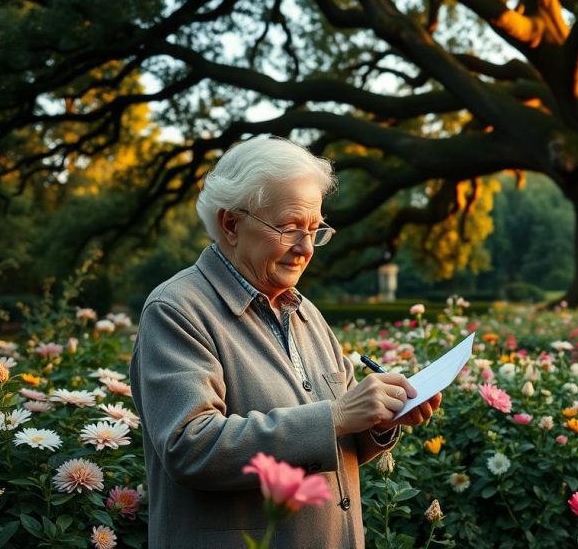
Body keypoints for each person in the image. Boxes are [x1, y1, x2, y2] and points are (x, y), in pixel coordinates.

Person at [130, 136, 440, 548]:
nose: (306, 248)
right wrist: (335, 416)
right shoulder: (177, 310)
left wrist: (380, 421)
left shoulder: (305, 312)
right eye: (291, 228)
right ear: (231, 224)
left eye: (316, 230)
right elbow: (191, 447)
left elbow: (336, 441)